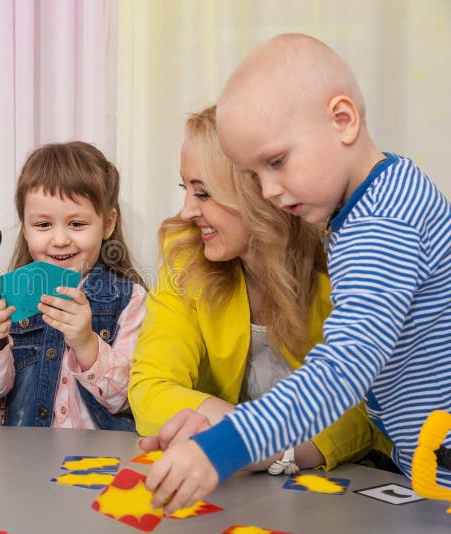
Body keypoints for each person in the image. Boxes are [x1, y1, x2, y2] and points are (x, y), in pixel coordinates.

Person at [144, 33, 451, 511]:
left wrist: (222, 448)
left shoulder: (381, 226)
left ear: (342, 121)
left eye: (277, 162)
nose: (267, 190)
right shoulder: (382, 197)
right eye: (255, 175)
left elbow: (343, 370)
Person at [130, 106, 383, 475]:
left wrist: (256, 446)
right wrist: (245, 438)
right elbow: (150, 386)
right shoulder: (184, 255)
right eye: (186, 189)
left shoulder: (346, 261)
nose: (186, 211)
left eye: (203, 193)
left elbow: (366, 406)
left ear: (258, 191)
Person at [0, 141, 146, 430]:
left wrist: (87, 343)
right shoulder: (5, 296)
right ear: (24, 228)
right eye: (43, 225)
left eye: (76, 224)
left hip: (102, 462)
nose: (60, 239)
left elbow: (129, 399)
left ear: (108, 224)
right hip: (26, 459)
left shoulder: (130, 299)